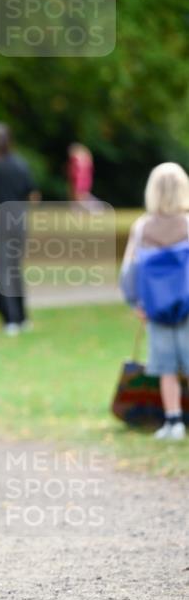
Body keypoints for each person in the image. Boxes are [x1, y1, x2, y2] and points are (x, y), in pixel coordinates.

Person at [120, 162, 189, 440]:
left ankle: (173, 422)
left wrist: (135, 301)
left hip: (156, 308)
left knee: (166, 368)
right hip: (187, 306)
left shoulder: (143, 227)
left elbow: (129, 269)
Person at [0, 122, 40, 335]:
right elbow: (33, 195)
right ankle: (21, 317)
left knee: (0, 272)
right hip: (17, 221)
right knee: (14, 269)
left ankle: (10, 318)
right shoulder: (20, 164)